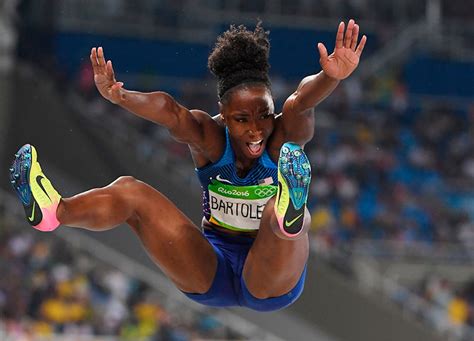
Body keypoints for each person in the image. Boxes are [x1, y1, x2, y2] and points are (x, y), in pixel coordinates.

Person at [10, 20, 366, 311]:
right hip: (209, 270)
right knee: (130, 190)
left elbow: (301, 101)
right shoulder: (209, 138)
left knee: (282, 213)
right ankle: (55, 211)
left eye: (263, 114)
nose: (257, 129)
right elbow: (170, 111)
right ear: (223, 117)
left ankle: (290, 215)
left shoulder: (284, 134)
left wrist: (331, 77)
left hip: (270, 278)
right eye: (242, 119)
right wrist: (121, 96)